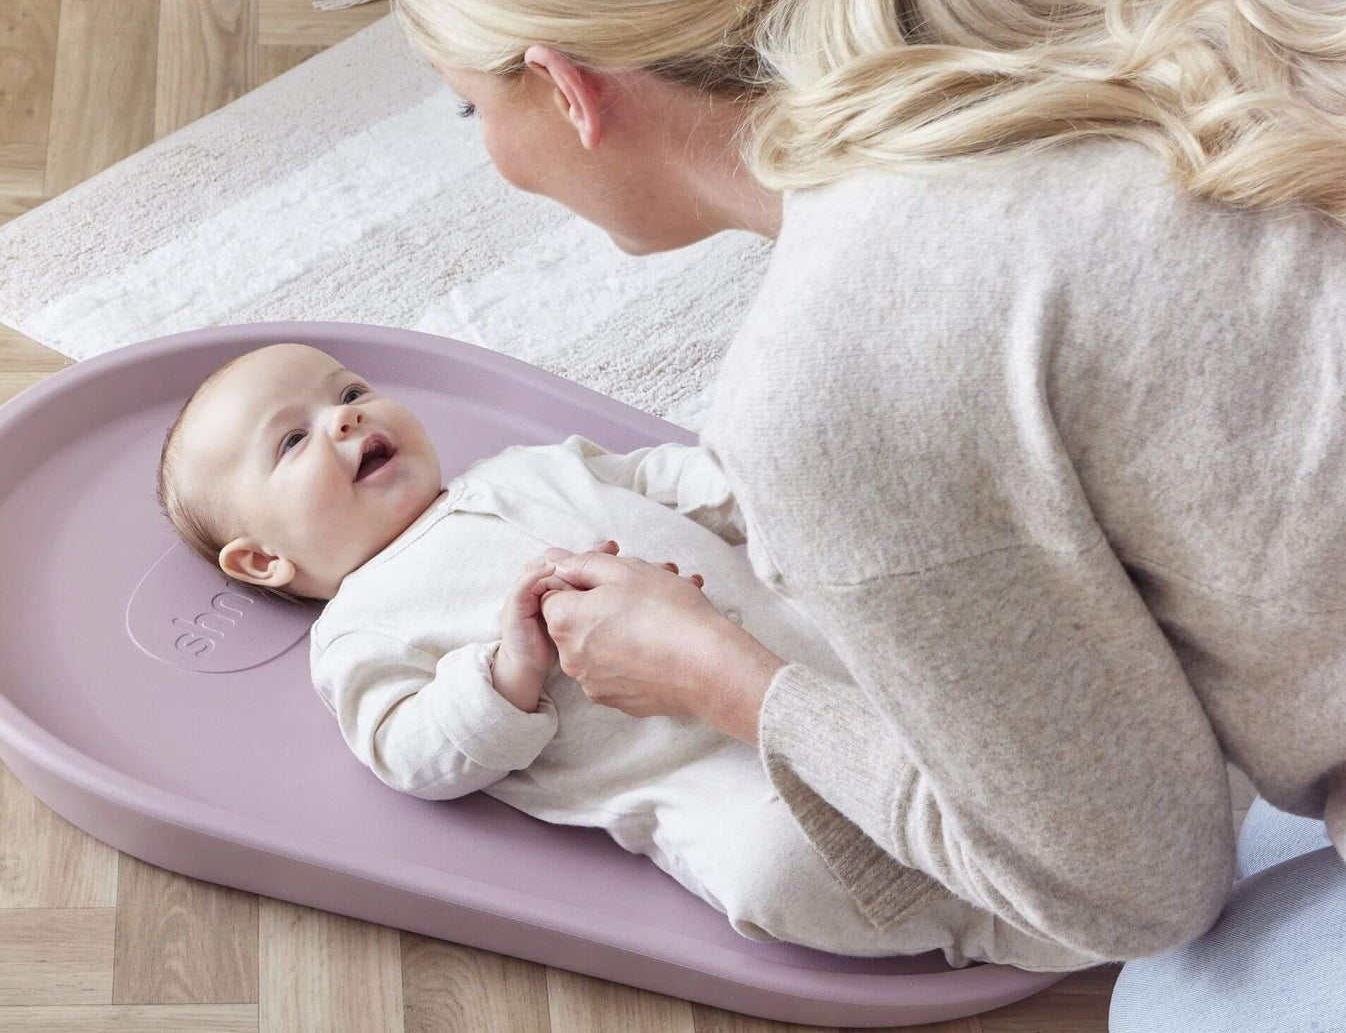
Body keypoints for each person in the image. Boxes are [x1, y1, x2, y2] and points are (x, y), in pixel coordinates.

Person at [384, 0, 1346, 1026]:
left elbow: (1136, 890)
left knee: (1182, 1001)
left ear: (563, 86)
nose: (490, 152)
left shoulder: (835, 376)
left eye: (468, 108)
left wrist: (730, 680)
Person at [153, 339, 1099, 973]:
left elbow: (662, 476)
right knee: (777, 869)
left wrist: (756, 484)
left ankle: (1050, 783)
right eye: (293, 439)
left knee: (929, 620)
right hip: (711, 776)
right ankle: (999, 927)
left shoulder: (521, 467)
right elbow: (408, 748)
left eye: (349, 393)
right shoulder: (358, 626)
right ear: (264, 558)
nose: (346, 420)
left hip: (815, 643)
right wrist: (505, 669)